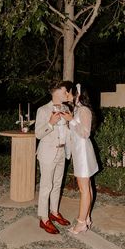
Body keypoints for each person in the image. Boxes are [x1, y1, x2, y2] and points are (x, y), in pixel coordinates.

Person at [35, 81, 72, 234]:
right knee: (46, 187)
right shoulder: (43, 110)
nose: (67, 93)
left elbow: (69, 130)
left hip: (62, 152)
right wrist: (50, 123)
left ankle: (54, 212)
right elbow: (38, 134)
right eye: (65, 90)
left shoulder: (66, 108)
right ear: (56, 92)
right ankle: (44, 219)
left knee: (57, 184)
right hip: (47, 153)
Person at [61, 83, 98, 234]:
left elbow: (85, 133)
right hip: (78, 152)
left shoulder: (84, 110)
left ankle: (81, 222)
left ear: (77, 94)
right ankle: (87, 218)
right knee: (86, 187)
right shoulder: (76, 109)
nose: (66, 95)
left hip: (83, 153)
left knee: (84, 189)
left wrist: (72, 120)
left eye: (68, 92)